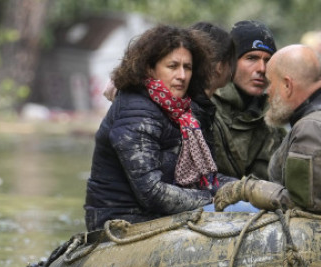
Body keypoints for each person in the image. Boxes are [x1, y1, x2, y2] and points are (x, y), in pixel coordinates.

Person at [84, 24, 230, 232]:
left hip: (164, 218)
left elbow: (207, 178)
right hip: (122, 224)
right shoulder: (135, 110)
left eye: (187, 67)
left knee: (248, 207)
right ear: (149, 68)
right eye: (172, 66)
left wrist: (246, 189)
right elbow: (152, 193)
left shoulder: (185, 112)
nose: (182, 75)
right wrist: (216, 199)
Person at [213, 44, 321, 216]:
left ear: (287, 85)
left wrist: (247, 189)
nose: (267, 91)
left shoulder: (310, 131)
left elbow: (305, 207)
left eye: (271, 83)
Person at [210, 20, 284, 179]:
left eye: (268, 60)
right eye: (251, 58)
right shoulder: (207, 108)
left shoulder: (273, 118)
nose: (262, 69)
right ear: (230, 63)